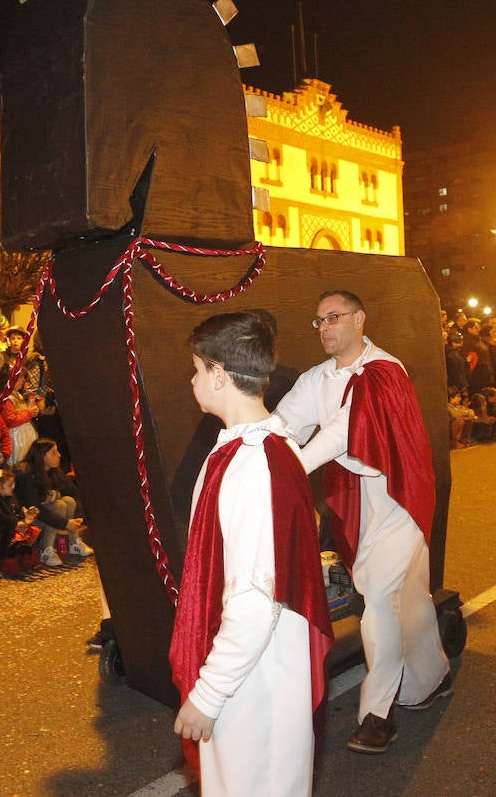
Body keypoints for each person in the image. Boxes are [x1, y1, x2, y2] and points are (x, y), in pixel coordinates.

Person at [274, 290, 451, 755]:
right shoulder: (317, 378)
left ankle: (377, 714)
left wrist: (292, 468)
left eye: (333, 317)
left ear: (359, 320)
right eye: (319, 320)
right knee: (406, 594)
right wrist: (248, 453)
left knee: (376, 596)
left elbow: (339, 433)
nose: (325, 328)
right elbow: (283, 424)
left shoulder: (385, 372)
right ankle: (432, 677)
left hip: (400, 496)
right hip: (359, 499)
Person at [169, 312, 333, 794]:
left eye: (197, 369)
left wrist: (209, 692)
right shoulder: (264, 448)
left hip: (255, 682)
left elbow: (255, 599)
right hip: (259, 669)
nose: (194, 380)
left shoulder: (252, 465)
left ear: (220, 374)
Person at [14, 438, 90, 568]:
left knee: (69, 501)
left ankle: (74, 542)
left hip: (45, 514)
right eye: (54, 453)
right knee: (59, 505)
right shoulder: (26, 473)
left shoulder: (53, 471)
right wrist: (66, 523)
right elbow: (34, 508)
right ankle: (46, 549)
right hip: (26, 519)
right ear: (42, 456)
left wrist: (79, 517)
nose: (59, 455)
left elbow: (74, 492)